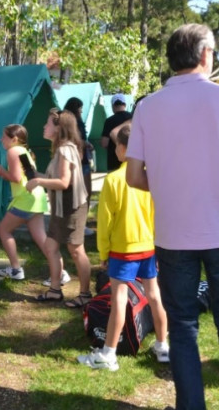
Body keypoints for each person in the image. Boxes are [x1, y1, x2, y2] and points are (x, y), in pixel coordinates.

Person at [126, 23, 219, 410]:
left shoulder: (147, 107)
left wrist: (174, 183)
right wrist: (218, 181)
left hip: (173, 233)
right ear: (205, 54)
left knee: (183, 327)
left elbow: (135, 176)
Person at [77, 124, 169, 372]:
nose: (115, 149)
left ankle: (108, 354)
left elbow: (105, 222)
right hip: (148, 247)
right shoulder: (150, 177)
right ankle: (163, 345)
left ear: (124, 148)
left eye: (117, 144)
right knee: (154, 295)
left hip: (122, 249)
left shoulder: (114, 179)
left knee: (118, 299)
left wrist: (104, 252)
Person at [27, 108, 92, 308]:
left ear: (58, 128)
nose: (44, 127)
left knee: (76, 250)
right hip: (61, 207)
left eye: (48, 124)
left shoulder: (65, 149)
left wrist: (38, 181)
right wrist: (35, 173)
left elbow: (64, 183)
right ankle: (55, 290)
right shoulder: (64, 148)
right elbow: (55, 179)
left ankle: (85, 294)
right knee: (51, 246)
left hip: (71, 207)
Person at [0, 124, 49, 280]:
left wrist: (2, 172)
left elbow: (17, 178)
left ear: (14, 139)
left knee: (3, 230)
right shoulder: (24, 151)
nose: (1, 139)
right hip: (36, 197)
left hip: (25, 199)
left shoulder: (13, 151)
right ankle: (60, 271)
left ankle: (16, 269)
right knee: (41, 238)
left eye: (4, 136)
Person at [64, 97, 93, 195]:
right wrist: (85, 144)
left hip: (79, 159)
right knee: (85, 191)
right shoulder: (75, 123)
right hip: (79, 160)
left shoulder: (66, 123)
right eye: (80, 108)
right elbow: (75, 140)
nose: (81, 110)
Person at [101, 94, 133, 171]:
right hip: (132, 162)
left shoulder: (109, 121)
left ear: (113, 106)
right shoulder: (133, 118)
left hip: (114, 163)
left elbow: (104, 143)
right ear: (125, 104)